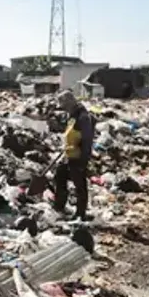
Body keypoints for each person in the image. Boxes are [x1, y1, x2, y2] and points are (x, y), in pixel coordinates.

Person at [53, 91, 94, 220]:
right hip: (69, 154)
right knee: (59, 176)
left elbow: (87, 140)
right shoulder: (72, 116)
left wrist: (83, 161)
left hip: (78, 157)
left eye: (63, 104)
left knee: (79, 185)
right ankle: (59, 207)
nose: (62, 107)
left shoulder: (83, 117)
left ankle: (81, 213)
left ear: (70, 102)